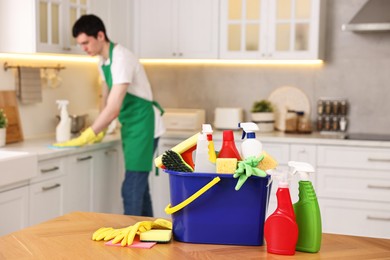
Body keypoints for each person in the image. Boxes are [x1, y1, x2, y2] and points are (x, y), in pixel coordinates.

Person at [54, 14, 165, 217]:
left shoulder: (122, 59)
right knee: (140, 187)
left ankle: (130, 239)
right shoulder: (102, 62)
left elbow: (114, 108)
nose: (84, 48)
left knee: (131, 188)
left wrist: (88, 134)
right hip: (131, 126)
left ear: (100, 35)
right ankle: (152, 236)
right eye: (80, 44)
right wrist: (101, 129)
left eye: (86, 42)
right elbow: (105, 97)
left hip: (144, 125)